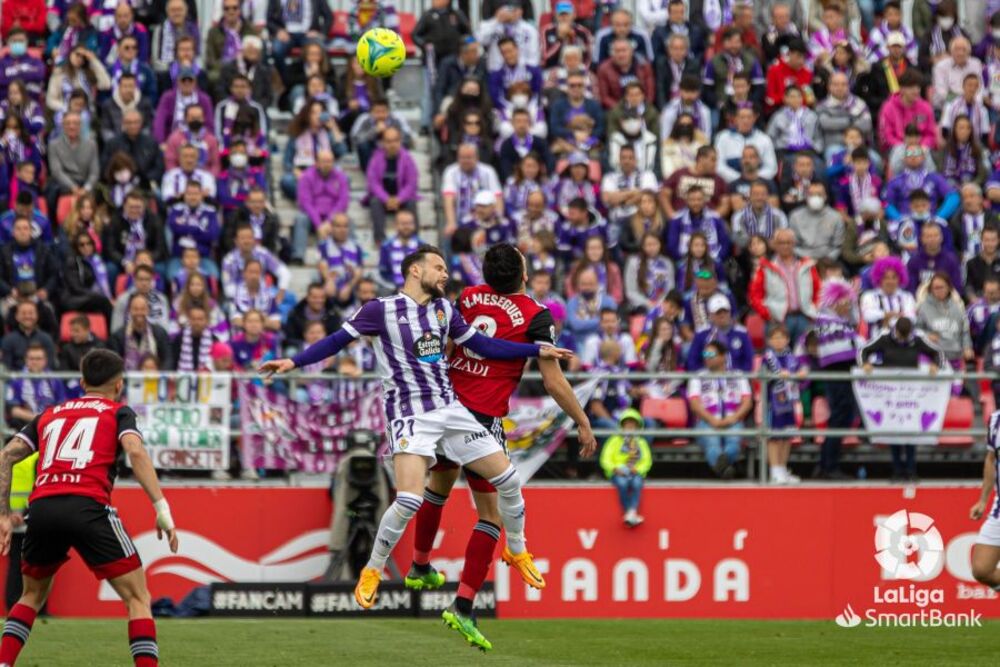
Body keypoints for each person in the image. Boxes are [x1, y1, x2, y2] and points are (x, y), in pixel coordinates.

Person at [259, 246, 571, 625]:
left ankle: (517, 550)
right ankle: (373, 570)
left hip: (450, 410)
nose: (444, 274)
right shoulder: (380, 310)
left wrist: (535, 348)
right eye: (438, 268)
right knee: (409, 499)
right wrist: (293, 361)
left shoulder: (443, 310)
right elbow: (336, 341)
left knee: (508, 478)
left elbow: (483, 345)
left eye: (444, 267)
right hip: (410, 414)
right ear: (414, 269)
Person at [402, 243, 595, 646]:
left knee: (437, 489)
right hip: (481, 421)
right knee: (491, 515)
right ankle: (464, 606)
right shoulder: (536, 316)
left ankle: (420, 564)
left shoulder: (469, 297)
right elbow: (553, 380)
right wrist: (582, 420)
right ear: (522, 274)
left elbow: (448, 347)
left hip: (445, 408)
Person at [0, 349, 178, 667]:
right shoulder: (117, 412)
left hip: (41, 508)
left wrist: (2, 514)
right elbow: (135, 452)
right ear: (119, 385)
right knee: (138, 598)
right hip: (88, 506)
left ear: (82, 382)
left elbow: (7, 455)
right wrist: (161, 508)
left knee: (31, 596)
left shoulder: (51, 413)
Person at [860, 316, 946, 481]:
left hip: (912, 393)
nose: (903, 339)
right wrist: (865, 364)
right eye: (901, 336)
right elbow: (863, 351)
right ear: (896, 331)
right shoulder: (884, 337)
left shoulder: (918, 338)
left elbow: (938, 353)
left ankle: (911, 471)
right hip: (889, 393)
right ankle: (897, 471)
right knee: (894, 432)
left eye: (906, 336)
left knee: (911, 432)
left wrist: (936, 365)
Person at [813, 279, 862, 479]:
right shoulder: (826, 321)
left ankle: (825, 463)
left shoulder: (836, 321)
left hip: (842, 371)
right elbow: (847, 346)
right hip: (837, 372)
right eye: (844, 301)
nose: (847, 305)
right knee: (841, 416)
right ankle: (829, 466)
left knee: (842, 417)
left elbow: (855, 327)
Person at [689, 340, 752, 479]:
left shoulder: (738, 375)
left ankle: (721, 468)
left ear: (723, 356)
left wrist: (733, 418)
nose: (707, 357)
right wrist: (712, 420)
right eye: (705, 354)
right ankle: (725, 469)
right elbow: (694, 404)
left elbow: (747, 402)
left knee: (734, 443)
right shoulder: (697, 377)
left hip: (733, 419)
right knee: (712, 443)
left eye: (711, 354)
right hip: (706, 420)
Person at [749, 229, 820, 344]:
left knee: (805, 357)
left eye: (788, 242)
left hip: (804, 317)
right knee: (777, 358)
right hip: (777, 320)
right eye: (781, 243)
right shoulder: (765, 267)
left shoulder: (807, 265)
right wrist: (767, 314)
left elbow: (818, 290)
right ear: (775, 245)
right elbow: (754, 295)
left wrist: (814, 310)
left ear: (794, 244)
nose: (785, 246)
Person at [761, 325, 805, 484]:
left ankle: (783, 468)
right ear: (769, 341)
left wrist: (800, 374)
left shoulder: (792, 357)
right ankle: (774, 470)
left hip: (790, 401)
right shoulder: (767, 358)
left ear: (787, 340)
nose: (779, 341)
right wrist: (778, 374)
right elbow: (763, 377)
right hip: (773, 403)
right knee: (774, 437)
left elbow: (801, 373)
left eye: (781, 337)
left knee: (787, 436)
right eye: (775, 338)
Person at [600, 409, 651, 526]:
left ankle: (631, 512)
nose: (630, 427)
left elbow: (647, 461)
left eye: (633, 424)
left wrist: (638, 470)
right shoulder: (614, 440)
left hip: (635, 472)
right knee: (622, 484)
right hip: (618, 472)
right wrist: (614, 469)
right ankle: (630, 512)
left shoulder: (642, 442)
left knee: (637, 484)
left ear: (638, 426)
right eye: (627, 424)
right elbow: (605, 459)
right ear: (622, 425)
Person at [968, 409, 1000, 592]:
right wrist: (983, 501)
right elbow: (991, 459)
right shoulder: (996, 420)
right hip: (999, 507)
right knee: (982, 569)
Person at [110, 294, 172, 371]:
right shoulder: (118, 336)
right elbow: (115, 364)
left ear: (148, 310)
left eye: (143, 309)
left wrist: (160, 376)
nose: (139, 312)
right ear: (129, 310)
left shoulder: (160, 333)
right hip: (127, 381)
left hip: (154, 380)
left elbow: (168, 359)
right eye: (135, 309)